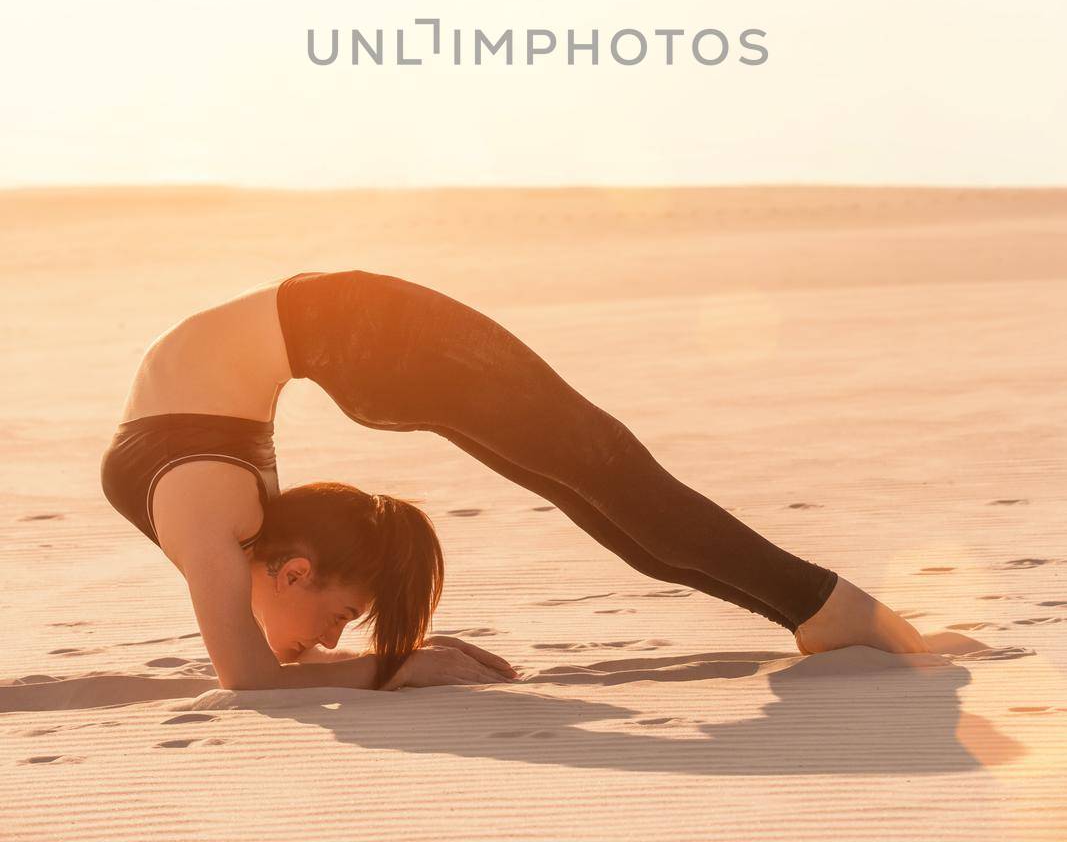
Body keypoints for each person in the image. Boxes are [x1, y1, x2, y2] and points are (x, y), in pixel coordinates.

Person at [100, 268, 928, 691]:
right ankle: (827, 616)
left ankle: (837, 613)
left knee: (610, 477)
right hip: (352, 337)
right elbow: (259, 674)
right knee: (602, 492)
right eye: (345, 626)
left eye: (340, 618)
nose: (328, 641)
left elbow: (249, 683)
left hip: (360, 329)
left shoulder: (211, 521)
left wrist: (401, 667)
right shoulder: (230, 520)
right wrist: (396, 663)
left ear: (296, 570)